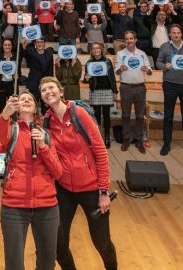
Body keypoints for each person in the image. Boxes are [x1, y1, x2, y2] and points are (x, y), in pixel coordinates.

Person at [39, 77, 117, 270]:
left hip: (91, 189)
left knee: (102, 243)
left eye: (51, 88)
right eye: (43, 90)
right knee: (58, 245)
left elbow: (100, 152)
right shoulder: (46, 121)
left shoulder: (79, 113)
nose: (48, 92)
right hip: (64, 189)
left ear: (61, 91)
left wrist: (103, 192)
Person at [0, 91, 62, 270]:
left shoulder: (46, 134)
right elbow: (2, 138)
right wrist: (4, 115)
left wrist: (43, 147)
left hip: (47, 206)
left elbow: (58, 172)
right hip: (14, 206)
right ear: (17, 108)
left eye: (30, 99)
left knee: (47, 262)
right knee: (14, 263)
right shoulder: (11, 129)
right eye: (22, 99)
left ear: (36, 108)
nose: (26, 101)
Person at [156, 24, 183, 159]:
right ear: (170, 34)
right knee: (168, 116)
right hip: (169, 84)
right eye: (173, 33)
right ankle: (166, 144)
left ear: (181, 34)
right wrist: (165, 66)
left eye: (178, 33)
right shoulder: (164, 46)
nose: (176, 35)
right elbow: (158, 62)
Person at [114, 31, 152, 153]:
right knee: (125, 114)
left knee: (140, 115)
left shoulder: (142, 54)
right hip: (126, 87)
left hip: (140, 87)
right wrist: (121, 69)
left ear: (135, 40)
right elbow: (116, 71)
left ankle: (139, 139)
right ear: (125, 41)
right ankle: (126, 139)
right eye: (127, 39)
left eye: (131, 38)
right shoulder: (120, 54)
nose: (129, 41)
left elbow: (150, 71)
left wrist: (147, 70)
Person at [84, 42, 117, 147]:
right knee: (96, 115)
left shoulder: (107, 62)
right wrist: (86, 78)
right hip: (95, 91)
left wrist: (115, 91)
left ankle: (107, 138)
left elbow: (112, 78)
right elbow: (86, 79)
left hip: (107, 91)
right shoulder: (89, 63)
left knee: (107, 115)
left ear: (101, 49)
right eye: (94, 48)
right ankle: (97, 137)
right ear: (91, 51)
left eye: (97, 48)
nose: (96, 50)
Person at [21, 37, 55, 106]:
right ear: (35, 44)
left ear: (44, 44)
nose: (39, 44)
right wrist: (24, 46)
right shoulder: (31, 52)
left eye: (41, 42)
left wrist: (50, 83)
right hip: (33, 84)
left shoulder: (49, 54)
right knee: (33, 106)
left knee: (45, 108)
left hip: (45, 85)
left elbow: (50, 70)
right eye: (38, 42)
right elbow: (24, 54)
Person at [0, 38, 20, 119]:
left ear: (12, 46)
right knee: (0, 107)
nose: (7, 46)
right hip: (0, 85)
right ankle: (0, 123)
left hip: (12, 85)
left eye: (9, 45)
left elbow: (18, 72)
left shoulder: (16, 56)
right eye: (5, 45)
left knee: (13, 107)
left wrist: (17, 76)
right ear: (2, 46)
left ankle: (13, 124)